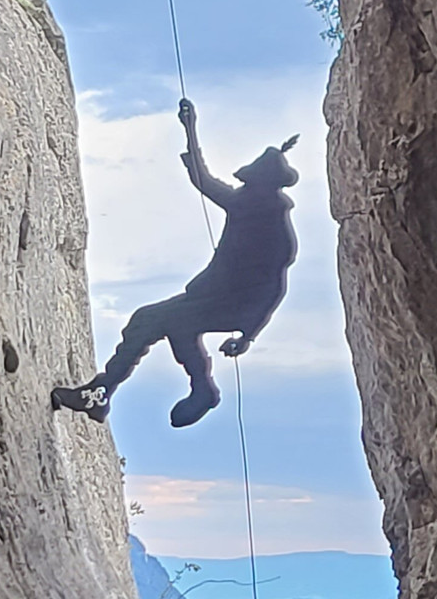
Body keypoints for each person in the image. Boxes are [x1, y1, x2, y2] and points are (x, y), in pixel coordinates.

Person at [51, 98, 298, 427]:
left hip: (233, 303)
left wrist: (248, 334)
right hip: (216, 298)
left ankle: (105, 392)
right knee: (169, 324)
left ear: (261, 184)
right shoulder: (246, 203)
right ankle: (190, 389)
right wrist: (190, 128)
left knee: (154, 320)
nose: (243, 184)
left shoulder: (272, 222)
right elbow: (204, 180)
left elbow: (276, 284)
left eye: (250, 179)